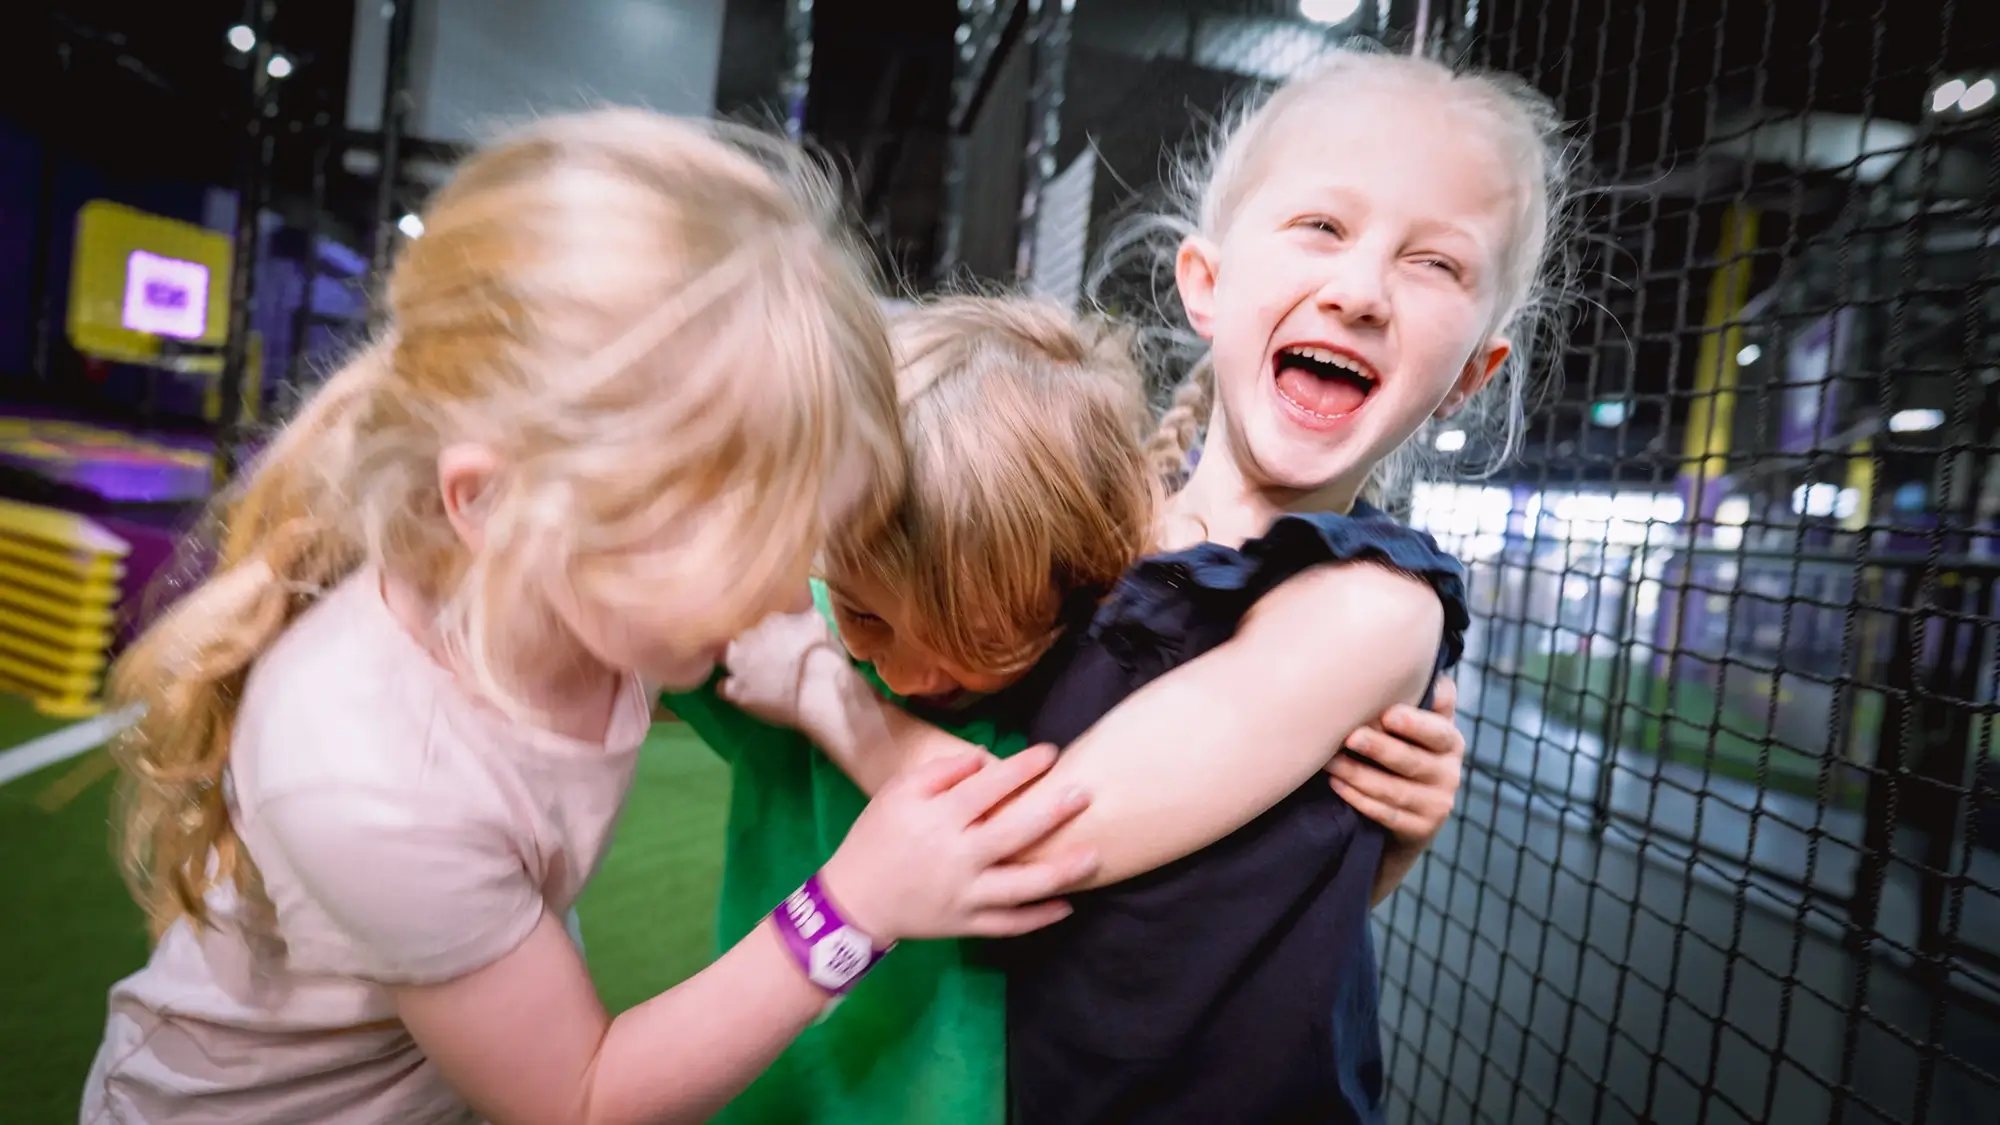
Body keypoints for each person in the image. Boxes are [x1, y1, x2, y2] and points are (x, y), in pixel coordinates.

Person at [81, 111, 1098, 1125]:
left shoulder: (574, 580)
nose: (791, 593)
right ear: (495, 505)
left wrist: (834, 704)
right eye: (753, 549)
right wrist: (853, 906)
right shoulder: (367, 773)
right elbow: (579, 1096)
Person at [726, 46, 1576, 1124]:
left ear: (1470, 374)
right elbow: (1221, 897)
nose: (1359, 290)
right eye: (1321, 226)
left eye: (1434, 264)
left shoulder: (1373, 607)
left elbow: (1044, 841)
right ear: (1205, 285)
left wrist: (816, 689)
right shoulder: (1104, 529)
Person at [688, 295, 1470, 1125]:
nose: (910, 673)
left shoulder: (1095, 671)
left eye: (972, 639)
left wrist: (1381, 841)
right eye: (865, 614)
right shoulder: (810, 624)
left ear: (1066, 594)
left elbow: (1137, 885)